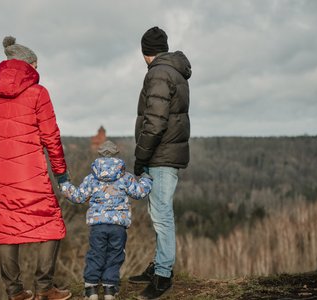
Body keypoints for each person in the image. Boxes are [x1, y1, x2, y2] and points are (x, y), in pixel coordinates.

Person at [0, 36, 72, 300]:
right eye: (36, 66)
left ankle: (15, 292)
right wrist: (61, 174)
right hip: (32, 174)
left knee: (6, 229)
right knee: (51, 225)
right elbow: (52, 137)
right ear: (28, 65)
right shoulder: (39, 93)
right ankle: (44, 288)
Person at [130, 26, 192, 299]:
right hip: (168, 154)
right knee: (159, 214)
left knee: (162, 215)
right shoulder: (175, 71)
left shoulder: (157, 73)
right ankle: (159, 265)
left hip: (160, 155)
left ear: (146, 52)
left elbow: (154, 122)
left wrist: (140, 157)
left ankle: (163, 275)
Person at [59, 140, 153, 300]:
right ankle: (110, 288)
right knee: (115, 255)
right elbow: (140, 192)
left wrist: (64, 183)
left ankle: (91, 289)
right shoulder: (125, 177)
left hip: (98, 225)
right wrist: (146, 177)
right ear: (117, 155)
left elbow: (78, 196)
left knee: (96, 254)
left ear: (99, 156)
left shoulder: (91, 178)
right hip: (118, 226)